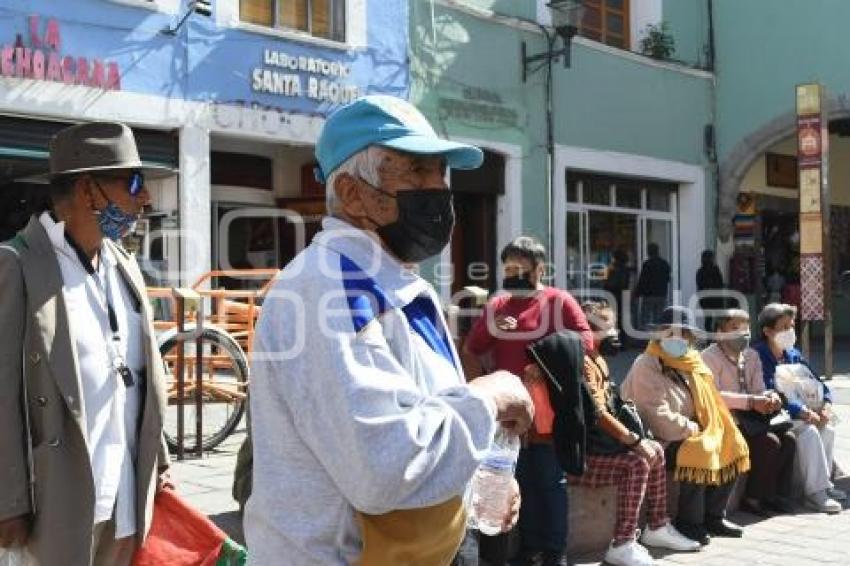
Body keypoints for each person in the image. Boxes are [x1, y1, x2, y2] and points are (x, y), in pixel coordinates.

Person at [243, 95, 534, 566]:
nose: (437, 189)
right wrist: (490, 395)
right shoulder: (331, 288)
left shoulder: (391, 278)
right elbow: (384, 466)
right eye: (417, 172)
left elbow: (421, 410)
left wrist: (473, 471)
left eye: (440, 173)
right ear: (353, 193)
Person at [0, 122, 172, 566]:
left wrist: (161, 463)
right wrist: (8, 499)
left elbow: (141, 374)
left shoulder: (124, 267)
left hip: (125, 495)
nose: (145, 199)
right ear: (88, 190)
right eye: (134, 184)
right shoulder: (18, 266)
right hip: (57, 501)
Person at [463, 236, 593, 566]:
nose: (513, 275)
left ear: (539, 269)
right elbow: (473, 348)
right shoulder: (497, 305)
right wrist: (493, 329)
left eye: (521, 269)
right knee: (516, 482)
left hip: (549, 412)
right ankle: (528, 549)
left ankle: (554, 551)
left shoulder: (558, 300)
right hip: (507, 415)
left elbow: (585, 341)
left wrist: (544, 361)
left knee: (550, 482)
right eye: (508, 269)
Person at [571, 301, 699, 566]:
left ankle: (657, 527)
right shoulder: (583, 362)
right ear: (583, 330)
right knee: (637, 463)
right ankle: (622, 543)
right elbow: (598, 414)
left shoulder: (598, 360)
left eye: (611, 326)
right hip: (583, 455)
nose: (610, 334)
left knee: (656, 452)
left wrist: (639, 439)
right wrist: (632, 440)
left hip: (603, 445)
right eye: (599, 328)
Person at [621, 306, 749, 546]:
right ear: (659, 335)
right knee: (699, 448)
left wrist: (713, 425)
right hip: (654, 438)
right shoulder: (647, 363)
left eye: (682, 334)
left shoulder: (693, 362)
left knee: (732, 440)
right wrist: (693, 429)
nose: (676, 339)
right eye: (669, 333)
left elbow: (709, 400)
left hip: (686, 428)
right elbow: (655, 416)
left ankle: (714, 516)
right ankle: (689, 522)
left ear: (690, 338)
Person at [701, 309, 796, 516]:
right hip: (726, 420)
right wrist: (751, 402)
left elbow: (759, 388)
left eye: (746, 328)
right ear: (719, 332)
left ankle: (776, 495)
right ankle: (752, 498)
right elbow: (713, 396)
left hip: (752, 418)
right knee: (769, 442)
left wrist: (770, 397)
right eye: (735, 328)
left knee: (789, 438)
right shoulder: (708, 357)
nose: (742, 333)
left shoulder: (751, 355)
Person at [752, 303, 845, 514]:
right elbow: (770, 390)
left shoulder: (792, 353)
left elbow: (818, 382)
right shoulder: (758, 355)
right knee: (808, 431)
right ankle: (816, 494)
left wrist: (827, 405)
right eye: (783, 327)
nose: (790, 331)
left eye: (791, 325)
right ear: (767, 331)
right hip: (776, 415)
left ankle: (824, 484)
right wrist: (801, 411)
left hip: (806, 412)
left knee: (827, 429)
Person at [634, 243, 670, 330]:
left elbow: (643, 280)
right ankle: (657, 337)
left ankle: (647, 337)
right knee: (659, 318)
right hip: (661, 294)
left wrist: (637, 294)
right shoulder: (665, 264)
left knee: (646, 319)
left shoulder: (647, 264)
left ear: (649, 252)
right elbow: (667, 279)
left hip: (649, 295)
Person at [604, 249, 631, 346]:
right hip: (623, 296)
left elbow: (608, 283)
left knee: (613, 320)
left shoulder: (613, 268)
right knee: (622, 320)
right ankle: (623, 342)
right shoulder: (626, 269)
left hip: (614, 296)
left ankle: (614, 342)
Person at [695, 250, 725, 331]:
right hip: (716, 299)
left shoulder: (700, 271)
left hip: (705, 300)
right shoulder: (715, 270)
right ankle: (715, 335)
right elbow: (720, 284)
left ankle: (709, 338)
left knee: (708, 320)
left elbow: (700, 285)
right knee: (718, 319)